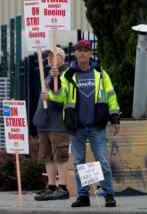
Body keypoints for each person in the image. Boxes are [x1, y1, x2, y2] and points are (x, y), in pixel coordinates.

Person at [48, 40, 121, 208]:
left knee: (102, 160)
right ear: (75, 53)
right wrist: (55, 80)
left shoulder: (100, 74)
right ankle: (83, 196)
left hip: (97, 125)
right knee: (78, 162)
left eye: (86, 50)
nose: (82, 53)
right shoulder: (68, 74)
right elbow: (58, 97)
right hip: (77, 126)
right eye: (79, 50)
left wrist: (115, 118)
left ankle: (109, 194)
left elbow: (111, 96)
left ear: (90, 53)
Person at [33, 47, 70, 201]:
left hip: (58, 123)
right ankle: (51, 186)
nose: (49, 58)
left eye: (53, 55)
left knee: (60, 155)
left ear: (61, 58)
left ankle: (63, 187)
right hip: (45, 122)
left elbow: (65, 95)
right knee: (47, 156)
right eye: (48, 56)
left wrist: (52, 95)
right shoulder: (48, 75)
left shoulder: (66, 74)